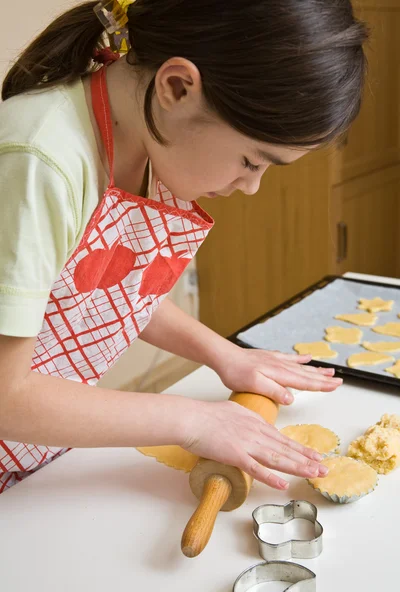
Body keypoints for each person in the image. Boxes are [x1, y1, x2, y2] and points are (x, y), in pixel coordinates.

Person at [0, 0, 368, 493]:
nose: (251, 186)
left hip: (32, 465)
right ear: (176, 87)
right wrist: (194, 421)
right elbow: (7, 396)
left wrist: (225, 355)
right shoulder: (40, 161)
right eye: (250, 160)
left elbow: (103, 290)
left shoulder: (142, 136)